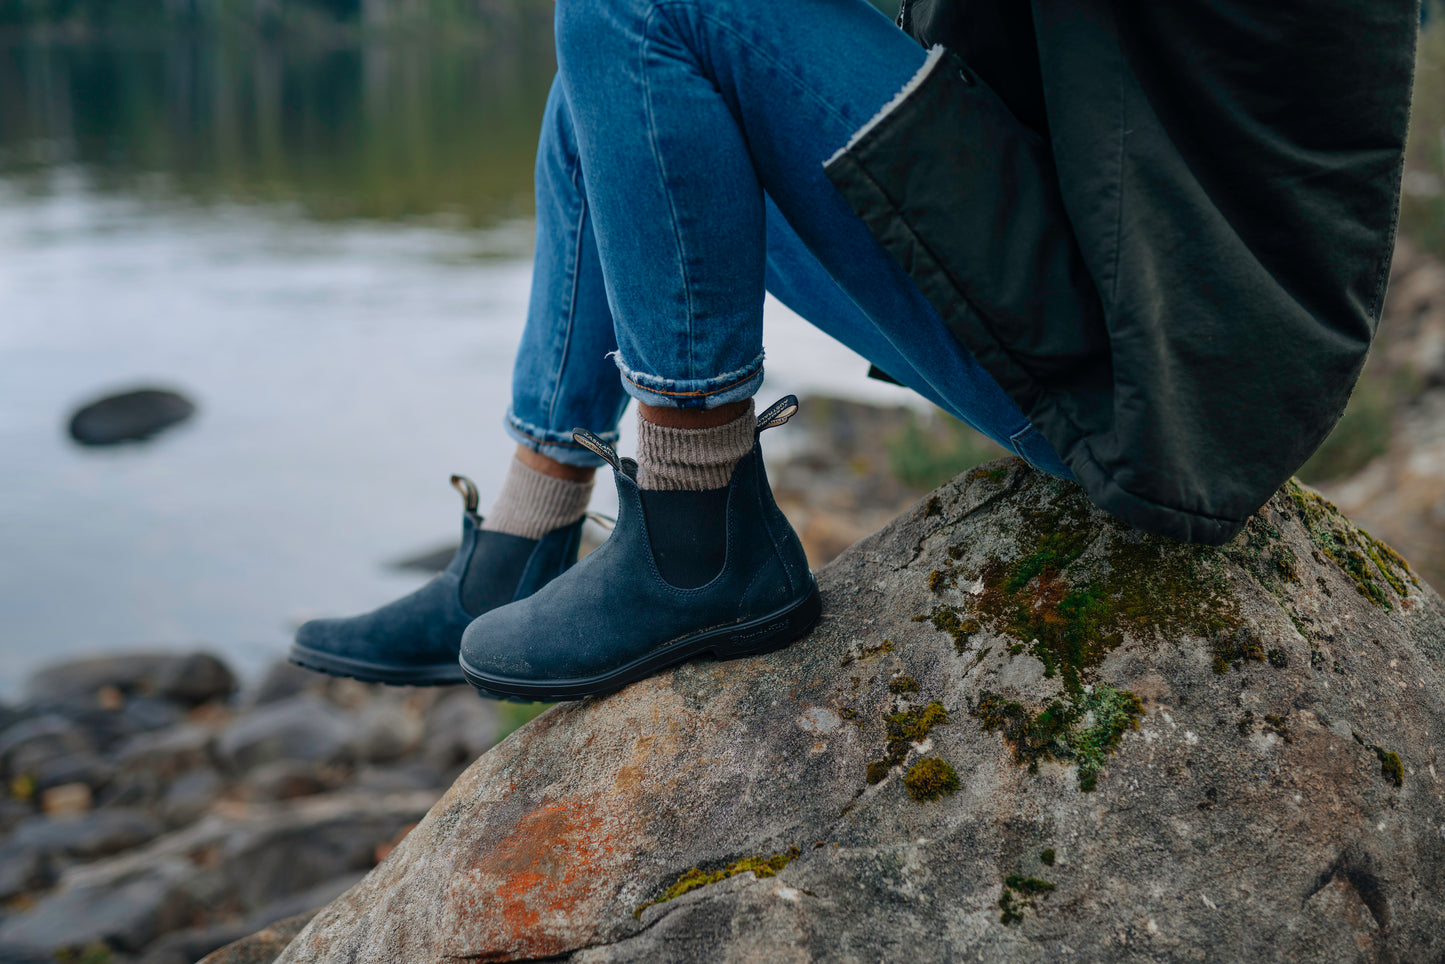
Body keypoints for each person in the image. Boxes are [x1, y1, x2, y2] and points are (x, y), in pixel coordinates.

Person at [291, 0, 1417, 699]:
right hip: (1113, 279)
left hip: (1159, 360)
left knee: (636, 7)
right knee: (606, 85)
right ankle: (524, 544)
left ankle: (700, 535)